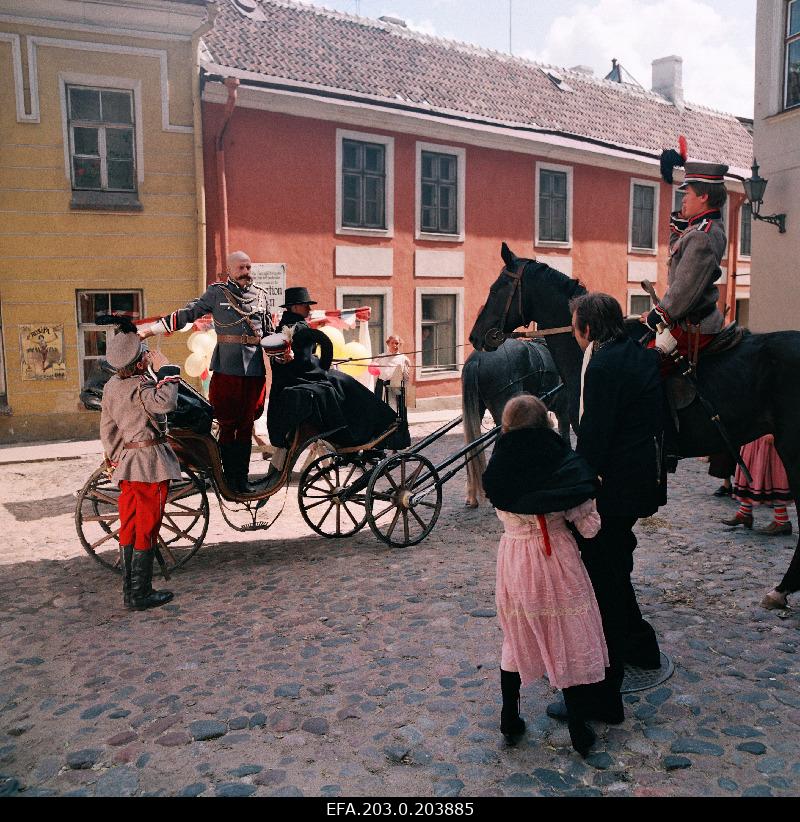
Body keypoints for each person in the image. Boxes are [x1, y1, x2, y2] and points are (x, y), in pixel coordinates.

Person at [547, 293, 668, 727]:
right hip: (640, 483)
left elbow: (595, 440)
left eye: (575, 327)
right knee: (615, 567)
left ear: (587, 329)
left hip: (614, 489)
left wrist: (568, 489)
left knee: (604, 583)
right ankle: (642, 646)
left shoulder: (601, 365)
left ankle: (602, 693)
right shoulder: (637, 353)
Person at [482, 394, 607, 757]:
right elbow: (589, 528)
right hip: (557, 559)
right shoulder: (563, 466)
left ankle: (510, 716)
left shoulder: (499, 471)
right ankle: (580, 729)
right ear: (545, 425)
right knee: (565, 635)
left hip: (516, 558)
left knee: (517, 634)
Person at [138, 251, 274, 493]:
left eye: (249, 267)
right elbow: (187, 314)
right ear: (229, 271)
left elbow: (270, 335)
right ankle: (224, 478)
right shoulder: (216, 293)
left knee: (245, 427)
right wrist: (150, 330)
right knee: (226, 425)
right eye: (241, 268)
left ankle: (240, 480)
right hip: (227, 372)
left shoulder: (262, 297)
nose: (246, 273)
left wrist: (284, 350)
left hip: (253, 373)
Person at [265, 287, 397, 482]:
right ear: (294, 307)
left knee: (340, 380)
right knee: (346, 384)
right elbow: (305, 361)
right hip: (304, 380)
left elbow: (301, 359)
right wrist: (323, 368)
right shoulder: (299, 328)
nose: (309, 309)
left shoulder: (285, 327)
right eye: (305, 305)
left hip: (294, 381)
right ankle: (371, 430)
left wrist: (320, 364)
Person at [99, 316, 181, 611]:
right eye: (144, 353)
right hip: (150, 464)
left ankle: (130, 593)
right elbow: (166, 403)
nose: (147, 354)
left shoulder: (111, 387)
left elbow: (108, 430)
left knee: (130, 525)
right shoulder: (141, 386)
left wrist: (115, 459)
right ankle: (141, 594)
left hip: (127, 465)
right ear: (136, 363)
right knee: (148, 525)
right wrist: (167, 370)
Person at [642, 160, 728, 364]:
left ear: (703, 196)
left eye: (687, 193)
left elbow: (685, 288)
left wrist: (658, 316)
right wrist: (681, 222)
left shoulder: (702, 235)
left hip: (693, 327)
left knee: (642, 367)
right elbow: (678, 252)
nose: (683, 200)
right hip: (685, 320)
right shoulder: (701, 229)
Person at [723, 434, 793, 536]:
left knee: (772, 477)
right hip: (754, 434)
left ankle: (782, 521)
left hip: (768, 434)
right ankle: (744, 513)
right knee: (750, 472)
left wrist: (772, 431)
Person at [375, 335, 411, 411]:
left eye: (397, 343)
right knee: (380, 409)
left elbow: (406, 377)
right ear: (388, 344)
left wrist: (406, 392)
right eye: (392, 343)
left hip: (396, 387)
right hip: (381, 386)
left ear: (400, 344)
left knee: (394, 409)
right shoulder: (380, 357)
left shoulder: (404, 359)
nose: (395, 345)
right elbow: (374, 374)